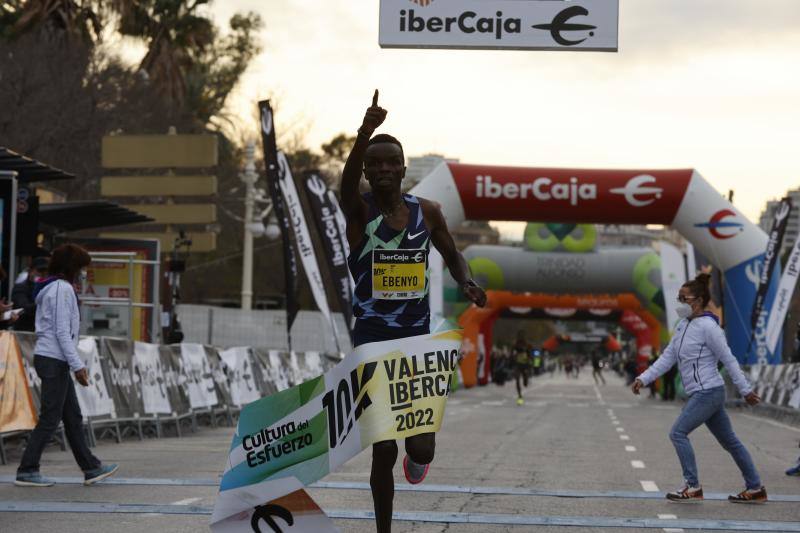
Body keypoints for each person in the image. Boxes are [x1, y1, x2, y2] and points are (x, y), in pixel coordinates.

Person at [341, 90, 487, 533]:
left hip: (416, 342)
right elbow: (344, 185)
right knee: (382, 447)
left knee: (421, 448)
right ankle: (383, 528)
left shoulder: (428, 212)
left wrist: (464, 279)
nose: (384, 169)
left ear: (403, 170)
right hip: (372, 340)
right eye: (376, 163)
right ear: (367, 170)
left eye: (392, 163)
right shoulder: (359, 211)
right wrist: (364, 132)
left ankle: (417, 456)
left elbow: (451, 254)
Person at [632, 273, 766, 503]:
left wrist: (745, 390)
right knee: (730, 441)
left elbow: (729, 359)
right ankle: (756, 488)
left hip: (709, 392)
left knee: (678, 433)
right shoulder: (683, 327)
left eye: (684, 298)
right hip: (703, 392)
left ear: (699, 300)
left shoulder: (709, 327)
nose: (680, 302)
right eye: (678, 297)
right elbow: (667, 358)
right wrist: (643, 378)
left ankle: (692, 486)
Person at [15, 244, 118, 487]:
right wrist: (77, 365)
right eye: (82, 267)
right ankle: (27, 469)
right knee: (50, 417)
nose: (84, 272)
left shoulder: (54, 287)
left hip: (54, 359)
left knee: (72, 416)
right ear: (72, 267)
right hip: (54, 359)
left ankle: (91, 467)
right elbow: (62, 331)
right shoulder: (62, 290)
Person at [11, 256, 49, 332]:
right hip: (25, 332)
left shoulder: (48, 288)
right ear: (30, 271)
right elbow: (23, 307)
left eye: (46, 272)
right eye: (40, 271)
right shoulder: (21, 287)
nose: (43, 274)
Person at [512, 331, 530, 405]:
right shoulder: (515, 345)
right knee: (517, 379)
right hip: (518, 364)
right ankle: (519, 395)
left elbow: (529, 355)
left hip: (524, 364)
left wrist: (528, 360)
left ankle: (526, 380)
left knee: (525, 380)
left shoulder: (527, 345)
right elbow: (512, 352)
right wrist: (513, 357)